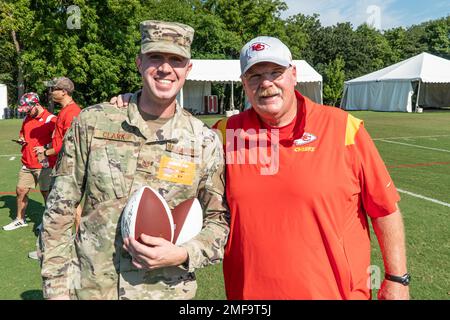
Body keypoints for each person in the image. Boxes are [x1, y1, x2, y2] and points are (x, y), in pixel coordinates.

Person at [41, 20, 229, 300]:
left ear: (188, 70)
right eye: (156, 57)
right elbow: (59, 211)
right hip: (93, 290)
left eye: (176, 60)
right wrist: (56, 291)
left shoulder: (204, 141)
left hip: (166, 292)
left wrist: (184, 252)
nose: (165, 68)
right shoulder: (93, 122)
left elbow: (218, 222)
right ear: (140, 63)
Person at [212, 36, 410, 300]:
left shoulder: (343, 128)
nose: (266, 84)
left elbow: (384, 208)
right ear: (244, 85)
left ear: (293, 75)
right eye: (255, 76)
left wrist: (397, 279)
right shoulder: (225, 134)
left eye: (275, 72)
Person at [29, 77, 82, 260]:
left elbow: (69, 144)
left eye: (53, 89)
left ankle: (49, 250)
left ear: (63, 92)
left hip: (66, 167)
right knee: (71, 208)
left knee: (55, 210)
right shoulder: (66, 111)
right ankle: (79, 244)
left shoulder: (72, 113)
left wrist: (46, 150)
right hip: (62, 165)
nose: (50, 93)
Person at [2, 93, 57, 231]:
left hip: (44, 164)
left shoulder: (51, 119)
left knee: (47, 193)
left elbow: (59, 141)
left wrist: (45, 147)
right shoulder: (27, 118)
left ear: (36, 105)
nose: (27, 112)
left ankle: (48, 223)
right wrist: (21, 139)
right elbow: (23, 132)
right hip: (27, 162)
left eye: (28, 109)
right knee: (20, 190)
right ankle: (20, 219)